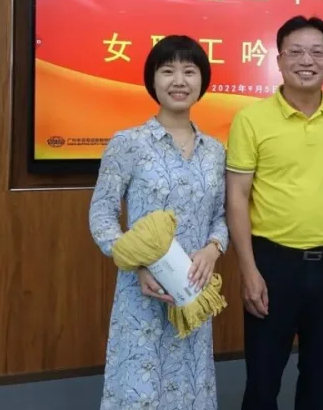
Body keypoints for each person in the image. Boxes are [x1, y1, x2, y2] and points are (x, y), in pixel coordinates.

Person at [225, 15, 323, 410]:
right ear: (278, 59)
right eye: (295, 52)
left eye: (317, 52)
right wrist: (248, 270)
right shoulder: (250, 119)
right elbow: (237, 196)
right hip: (272, 264)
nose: (306, 61)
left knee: (321, 376)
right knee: (262, 380)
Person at [88, 35, 229, 410]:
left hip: (193, 290)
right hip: (142, 294)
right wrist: (135, 265)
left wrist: (213, 250)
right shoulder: (128, 143)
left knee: (190, 390)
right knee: (141, 391)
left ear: (203, 80)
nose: (179, 81)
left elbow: (221, 215)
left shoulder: (216, 151)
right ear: (152, 80)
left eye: (189, 71)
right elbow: (102, 214)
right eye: (167, 71)